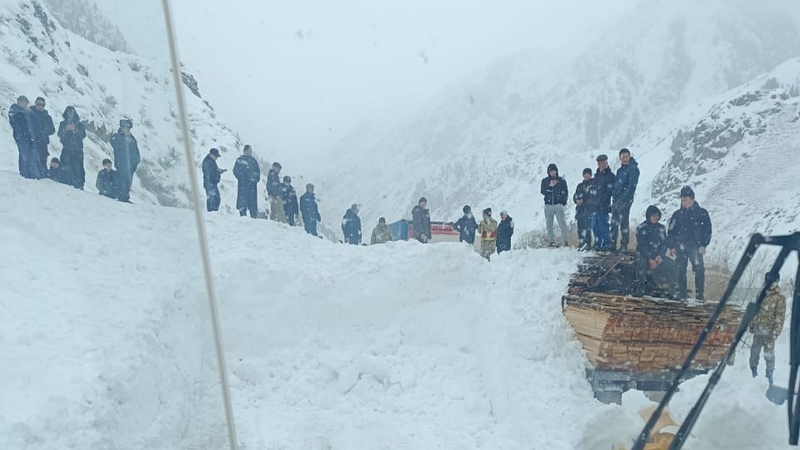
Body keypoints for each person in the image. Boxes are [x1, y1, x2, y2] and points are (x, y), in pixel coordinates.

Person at [667, 186, 712, 301]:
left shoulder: (702, 213)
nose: (683, 202)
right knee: (680, 270)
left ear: (692, 199)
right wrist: (671, 246)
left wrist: (704, 245)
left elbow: (707, 230)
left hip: (696, 246)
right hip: (680, 246)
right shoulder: (677, 215)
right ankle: (682, 294)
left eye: (686, 199)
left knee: (699, 269)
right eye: (682, 200)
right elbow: (671, 232)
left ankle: (699, 294)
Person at [749, 273, 786, 385]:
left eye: (773, 281)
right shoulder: (761, 294)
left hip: (770, 333)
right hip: (758, 331)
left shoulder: (780, 297)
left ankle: (769, 376)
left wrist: (776, 332)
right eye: (768, 281)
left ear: (777, 281)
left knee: (769, 356)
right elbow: (755, 312)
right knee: (754, 353)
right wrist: (752, 324)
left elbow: (780, 317)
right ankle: (753, 374)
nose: (770, 284)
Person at [633, 205, 676, 298]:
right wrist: (650, 259)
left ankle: (672, 291)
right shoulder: (641, 228)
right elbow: (642, 245)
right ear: (648, 216)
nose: (655, 218)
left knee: (673, 265)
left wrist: (660, 255)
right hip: (644, 255)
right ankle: (640, 290)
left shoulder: (661, 228)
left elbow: (664, 243)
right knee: (641, 264)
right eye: (653, 215)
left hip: (657, 255)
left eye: (657, 215)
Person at [611, 148, 640, 252]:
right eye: (623, 157)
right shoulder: (620, 171)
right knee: (614, 222)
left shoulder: (633, 169)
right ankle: (612, 243)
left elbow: (631, 186)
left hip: (626, 200)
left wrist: (623, 199)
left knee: (623, 221)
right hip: (616, 199)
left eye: (626, 157)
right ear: (620, 158)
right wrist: (615, 197)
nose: (624, 159)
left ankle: (624, 244)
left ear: (629, 156)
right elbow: (616, 185)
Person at [9, 95, 44, 179]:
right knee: (24, 155)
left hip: (29, 136)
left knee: (31, 155)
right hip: (21, 136)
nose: (26, 105)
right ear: (19, 102)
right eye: (24, 103)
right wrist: (24, 111)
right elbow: (14, 120)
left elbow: (35, 122)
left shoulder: (27, 112)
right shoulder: (14, 109)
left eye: (26, 103)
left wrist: (30, 112)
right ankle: (24, 174)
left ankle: (30, 174)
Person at [111, 118, 140, 203]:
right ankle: (121, 196)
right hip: (121, 163)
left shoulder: (132, 138)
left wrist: (136, 161)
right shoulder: (116, 136)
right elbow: (115, 145)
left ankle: (125, 196)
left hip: (131, 165)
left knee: (128, 182)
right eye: (125, 127)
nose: (127, 130)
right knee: (121, 181)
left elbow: (136, 150)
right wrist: (125, 141)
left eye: (128, 128)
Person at [590, 154, 616, 252]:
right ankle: (597, 244)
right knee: (595, 226)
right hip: (594, 206)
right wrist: (592, 202)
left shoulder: (610, 176)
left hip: (603, 206)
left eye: (603, 162)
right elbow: (592, 191)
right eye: (599, 163)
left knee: (603, 226)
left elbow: (609, 192)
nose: (601, 164)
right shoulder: (596, 176)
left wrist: (600, 202)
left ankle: (606, 244)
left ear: (606, 163)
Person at [57, 106, 87, 189]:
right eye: (68, 112)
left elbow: (83, 135)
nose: (70, 114)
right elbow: (59, 134)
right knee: (65, 167)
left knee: (78, 168)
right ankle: (65, 184)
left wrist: (75, 130)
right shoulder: (63, 124)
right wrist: (65, 130)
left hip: (77, 150)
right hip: (66, 149)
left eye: (71, 112)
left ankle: (79, 185)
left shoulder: (79, 124)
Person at [540, 163, 569, 247]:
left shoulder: (561, 180)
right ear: (548, 172)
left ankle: (566, 241)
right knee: (549, 224)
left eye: (553, 171)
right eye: (551, 171)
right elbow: (542, 191)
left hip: (558, 204)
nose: (552, 173)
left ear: (556, 171)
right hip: (548, 205)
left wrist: (562, 202)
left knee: (562, 223)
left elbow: (565, 192)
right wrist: (550, 186)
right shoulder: (545, 181)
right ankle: (551, 241)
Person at [232, 145, 260, 218]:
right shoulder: (240, 160)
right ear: (245, 151)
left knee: (252, 206)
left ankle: (254, 220)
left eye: (251, 151)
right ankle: (243, 220)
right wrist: (242, 178)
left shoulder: (253, 161)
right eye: (249, 151)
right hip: (243, 186)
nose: (250, 153)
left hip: (252, 187)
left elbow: (257, 173)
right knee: (242, 205)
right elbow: (235, 171)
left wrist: (254, 179)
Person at [31, 96, 55, 176]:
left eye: (42, 105)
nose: (40, 106)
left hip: (43, 142)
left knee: (42, 159)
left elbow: (52, 130)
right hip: (31, 141)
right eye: (39, 104)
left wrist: (43, 132)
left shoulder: (47, 117)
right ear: (35, 104)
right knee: (31, 159)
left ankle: (42, 175)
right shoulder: (30, 114)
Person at [573, 168, 594, 251]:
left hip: (588, 209)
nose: (586, 175)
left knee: (588, 227)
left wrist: (583, 200)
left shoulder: (593, 184)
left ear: (590, 175)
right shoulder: (580, 186)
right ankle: (581, 242)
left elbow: (592, 196)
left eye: (588, 174)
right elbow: (575, 195)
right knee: (580, 227)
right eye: (585, 174)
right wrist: (576, 200)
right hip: (580, 210)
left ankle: (588, 244)